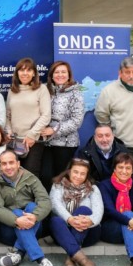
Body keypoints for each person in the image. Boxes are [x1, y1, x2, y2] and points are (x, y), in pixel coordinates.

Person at [0, 150, 60, 266]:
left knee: (32, 206)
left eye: (11, 162)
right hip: (8, 229)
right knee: (16, 211)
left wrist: (35, 216)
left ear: (18, 163)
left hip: (33, 226)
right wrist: (16, 220)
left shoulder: (30, 178)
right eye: (4, 164)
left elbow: (45, 200)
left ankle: (18, 253)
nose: (8, 167)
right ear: (0, 166)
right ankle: (41, 260)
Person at [49, 158, 103, 266]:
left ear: (87, 175)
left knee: (84, 210)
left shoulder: (93, 189)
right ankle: (83, 260)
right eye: (76, 172)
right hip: (63, 234)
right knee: (55, 220)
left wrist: (90, 221)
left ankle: (71, 256)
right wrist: (70, 219)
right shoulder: (58, 186)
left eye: (82, 173)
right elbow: (55, 206)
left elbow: (99, 212)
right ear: (69, 171)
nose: (78, 176)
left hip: (88, 233)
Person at [95, 57, 133, 179]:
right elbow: (101, 114)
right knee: (125, 180)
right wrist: (114, 132)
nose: (131, 76)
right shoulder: (109, 91)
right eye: (127, 72)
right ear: (120, 73)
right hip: (123, 145)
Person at [41, 61, 85, 191]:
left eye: (63, 72)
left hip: (65, 144)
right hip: (46, 144)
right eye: (57, 72)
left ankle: (61, 208)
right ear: (52, 75)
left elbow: (77, 121)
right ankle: (47, 208)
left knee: (61, 178)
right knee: (45, 176)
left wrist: (53, 130)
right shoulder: (45, 91)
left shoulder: (75, 93)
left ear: (69, 74)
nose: (60, 75)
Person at [98, 153, 133, 266]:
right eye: (120, 167)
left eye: (128, 168)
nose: (124, 171)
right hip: (110, 229)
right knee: (129, 214)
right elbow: (109, 210)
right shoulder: (105, 185)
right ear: (114, 168)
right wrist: (129, 221)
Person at [5, 57, 51, 179]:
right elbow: (7, 115)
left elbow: (46, 115)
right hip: (15, 141)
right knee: (14, 174)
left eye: (29, 70)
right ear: (17, 73)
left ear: (34, 73)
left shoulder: (42, 89)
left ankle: (30, 199)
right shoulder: (12, 91)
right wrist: (8, 131)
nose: (25, 73)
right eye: (21, 70)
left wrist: (31, 135)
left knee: (30, 175)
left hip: (33, 141)